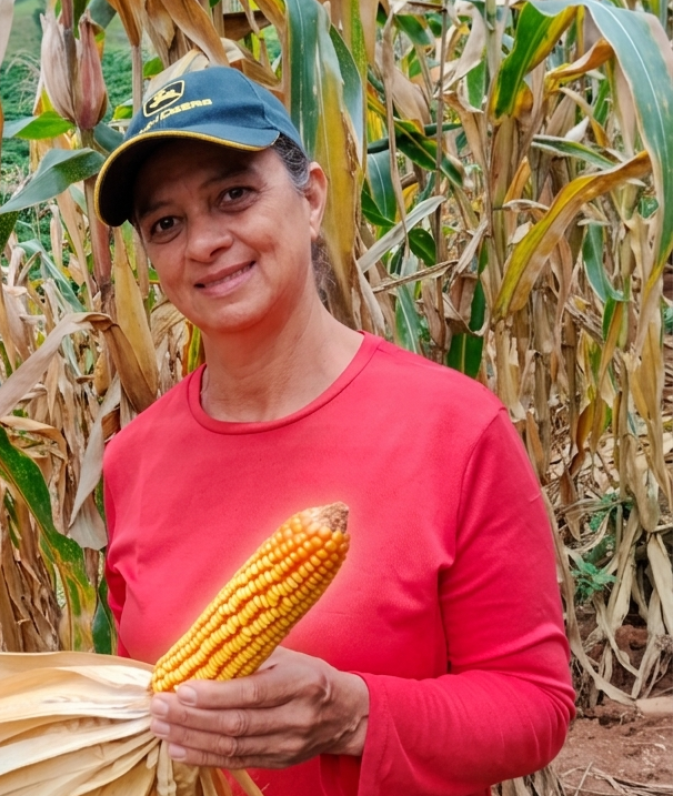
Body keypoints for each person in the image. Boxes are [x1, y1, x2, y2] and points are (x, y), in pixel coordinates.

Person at [93, 65, 575, 796]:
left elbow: (534, 706)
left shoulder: (456, 429)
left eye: (234, 195)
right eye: (166, 223)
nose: (204, 242)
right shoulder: (133, 459)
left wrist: (352, 714)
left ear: (311, 197)